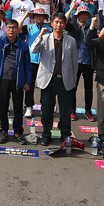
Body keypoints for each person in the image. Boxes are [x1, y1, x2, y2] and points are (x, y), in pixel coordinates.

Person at [0, 19, 32, 145]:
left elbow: (27, 65)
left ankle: (18, 132)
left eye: (14, 27)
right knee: (3, 108)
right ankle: (4, 131)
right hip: (3, 79)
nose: (11, 30)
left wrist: (28, 82)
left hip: (18, 81)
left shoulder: (23, 45)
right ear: (5, 29)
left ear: (17, 29)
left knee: (18, 108)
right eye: (9, 27)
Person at [30, 13, 78, 145]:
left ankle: (65, 134)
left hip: (65, 79)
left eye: (61, 22)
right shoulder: (45, 38)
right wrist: (40, 35)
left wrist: (73, 79)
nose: (59, 25)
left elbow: (75, 62)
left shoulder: (71, 41)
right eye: (56, 22)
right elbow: (33, 50)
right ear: (52, 23)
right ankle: (46, 133)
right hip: (48, 79)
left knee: (65, 109)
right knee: (46, 109)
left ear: (64, 24)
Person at [19, 7, 50, 119]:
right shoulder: (29, 27)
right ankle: (28, 106)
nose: (38, 18)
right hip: (30, 60)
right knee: (29, 85)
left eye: (41, 16)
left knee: (44, 85)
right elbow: (18, 30)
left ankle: (44, 106)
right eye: (36, 16)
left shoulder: (49, 29)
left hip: (44, 61)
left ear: (44, 18)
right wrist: (25, 17)